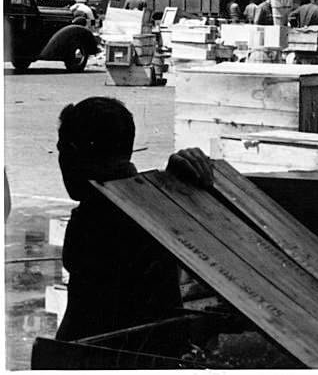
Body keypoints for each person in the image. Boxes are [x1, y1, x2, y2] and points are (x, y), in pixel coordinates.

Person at [54, 97, 213, 345]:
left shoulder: (95, 218)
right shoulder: (156, 203)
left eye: (60, 150)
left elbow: (80, 320)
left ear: (72, 152)